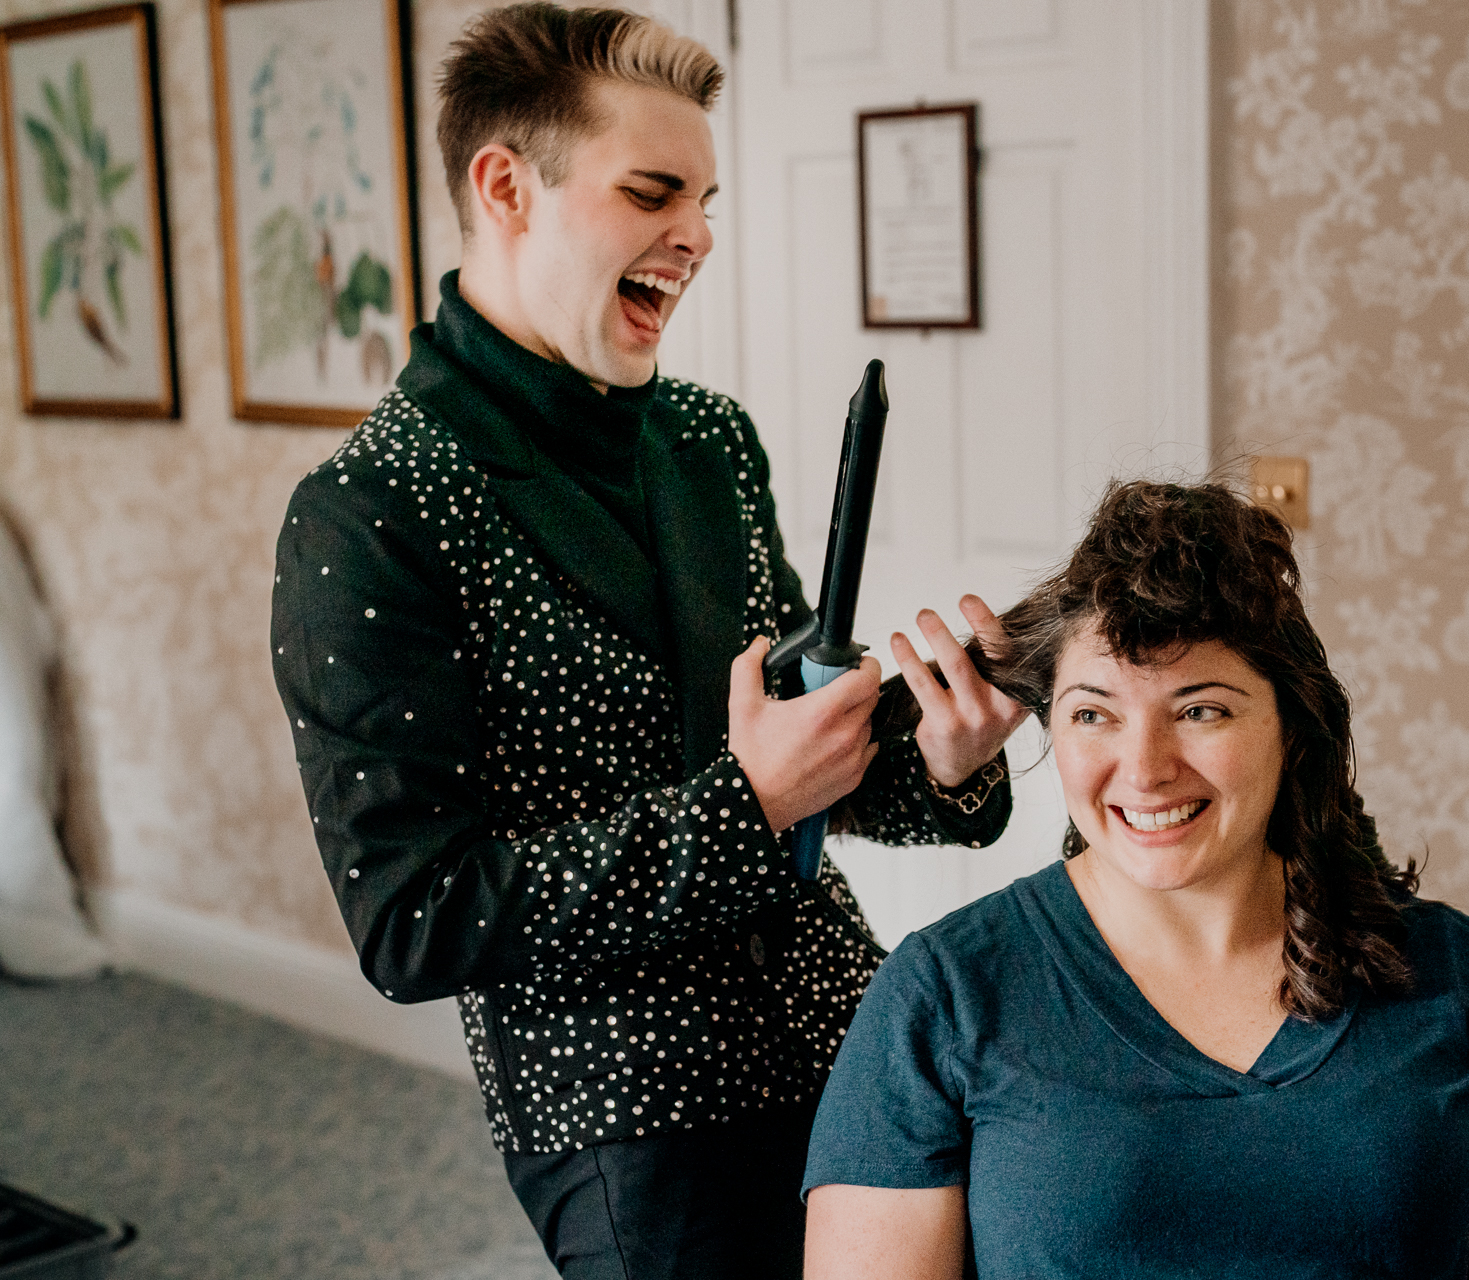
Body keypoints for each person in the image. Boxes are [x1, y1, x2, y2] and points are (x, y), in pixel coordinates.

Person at [268, 7, 1026, 1277]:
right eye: (655, 191)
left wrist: (946, 756)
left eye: (709, 197)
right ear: (507, 187)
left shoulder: (710, 441)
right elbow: (414, 919)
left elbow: (793, 743)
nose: (700, 235)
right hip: (629, 1110)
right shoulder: (367, 515)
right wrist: (746, 807)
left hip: (853, 1024)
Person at [802, 481, 1469, 1279]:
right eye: (1093, 713)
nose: (1144, 769)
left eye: (1201, 711)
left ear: (1292, 728)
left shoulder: (1460, 975)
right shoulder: (944, 993)